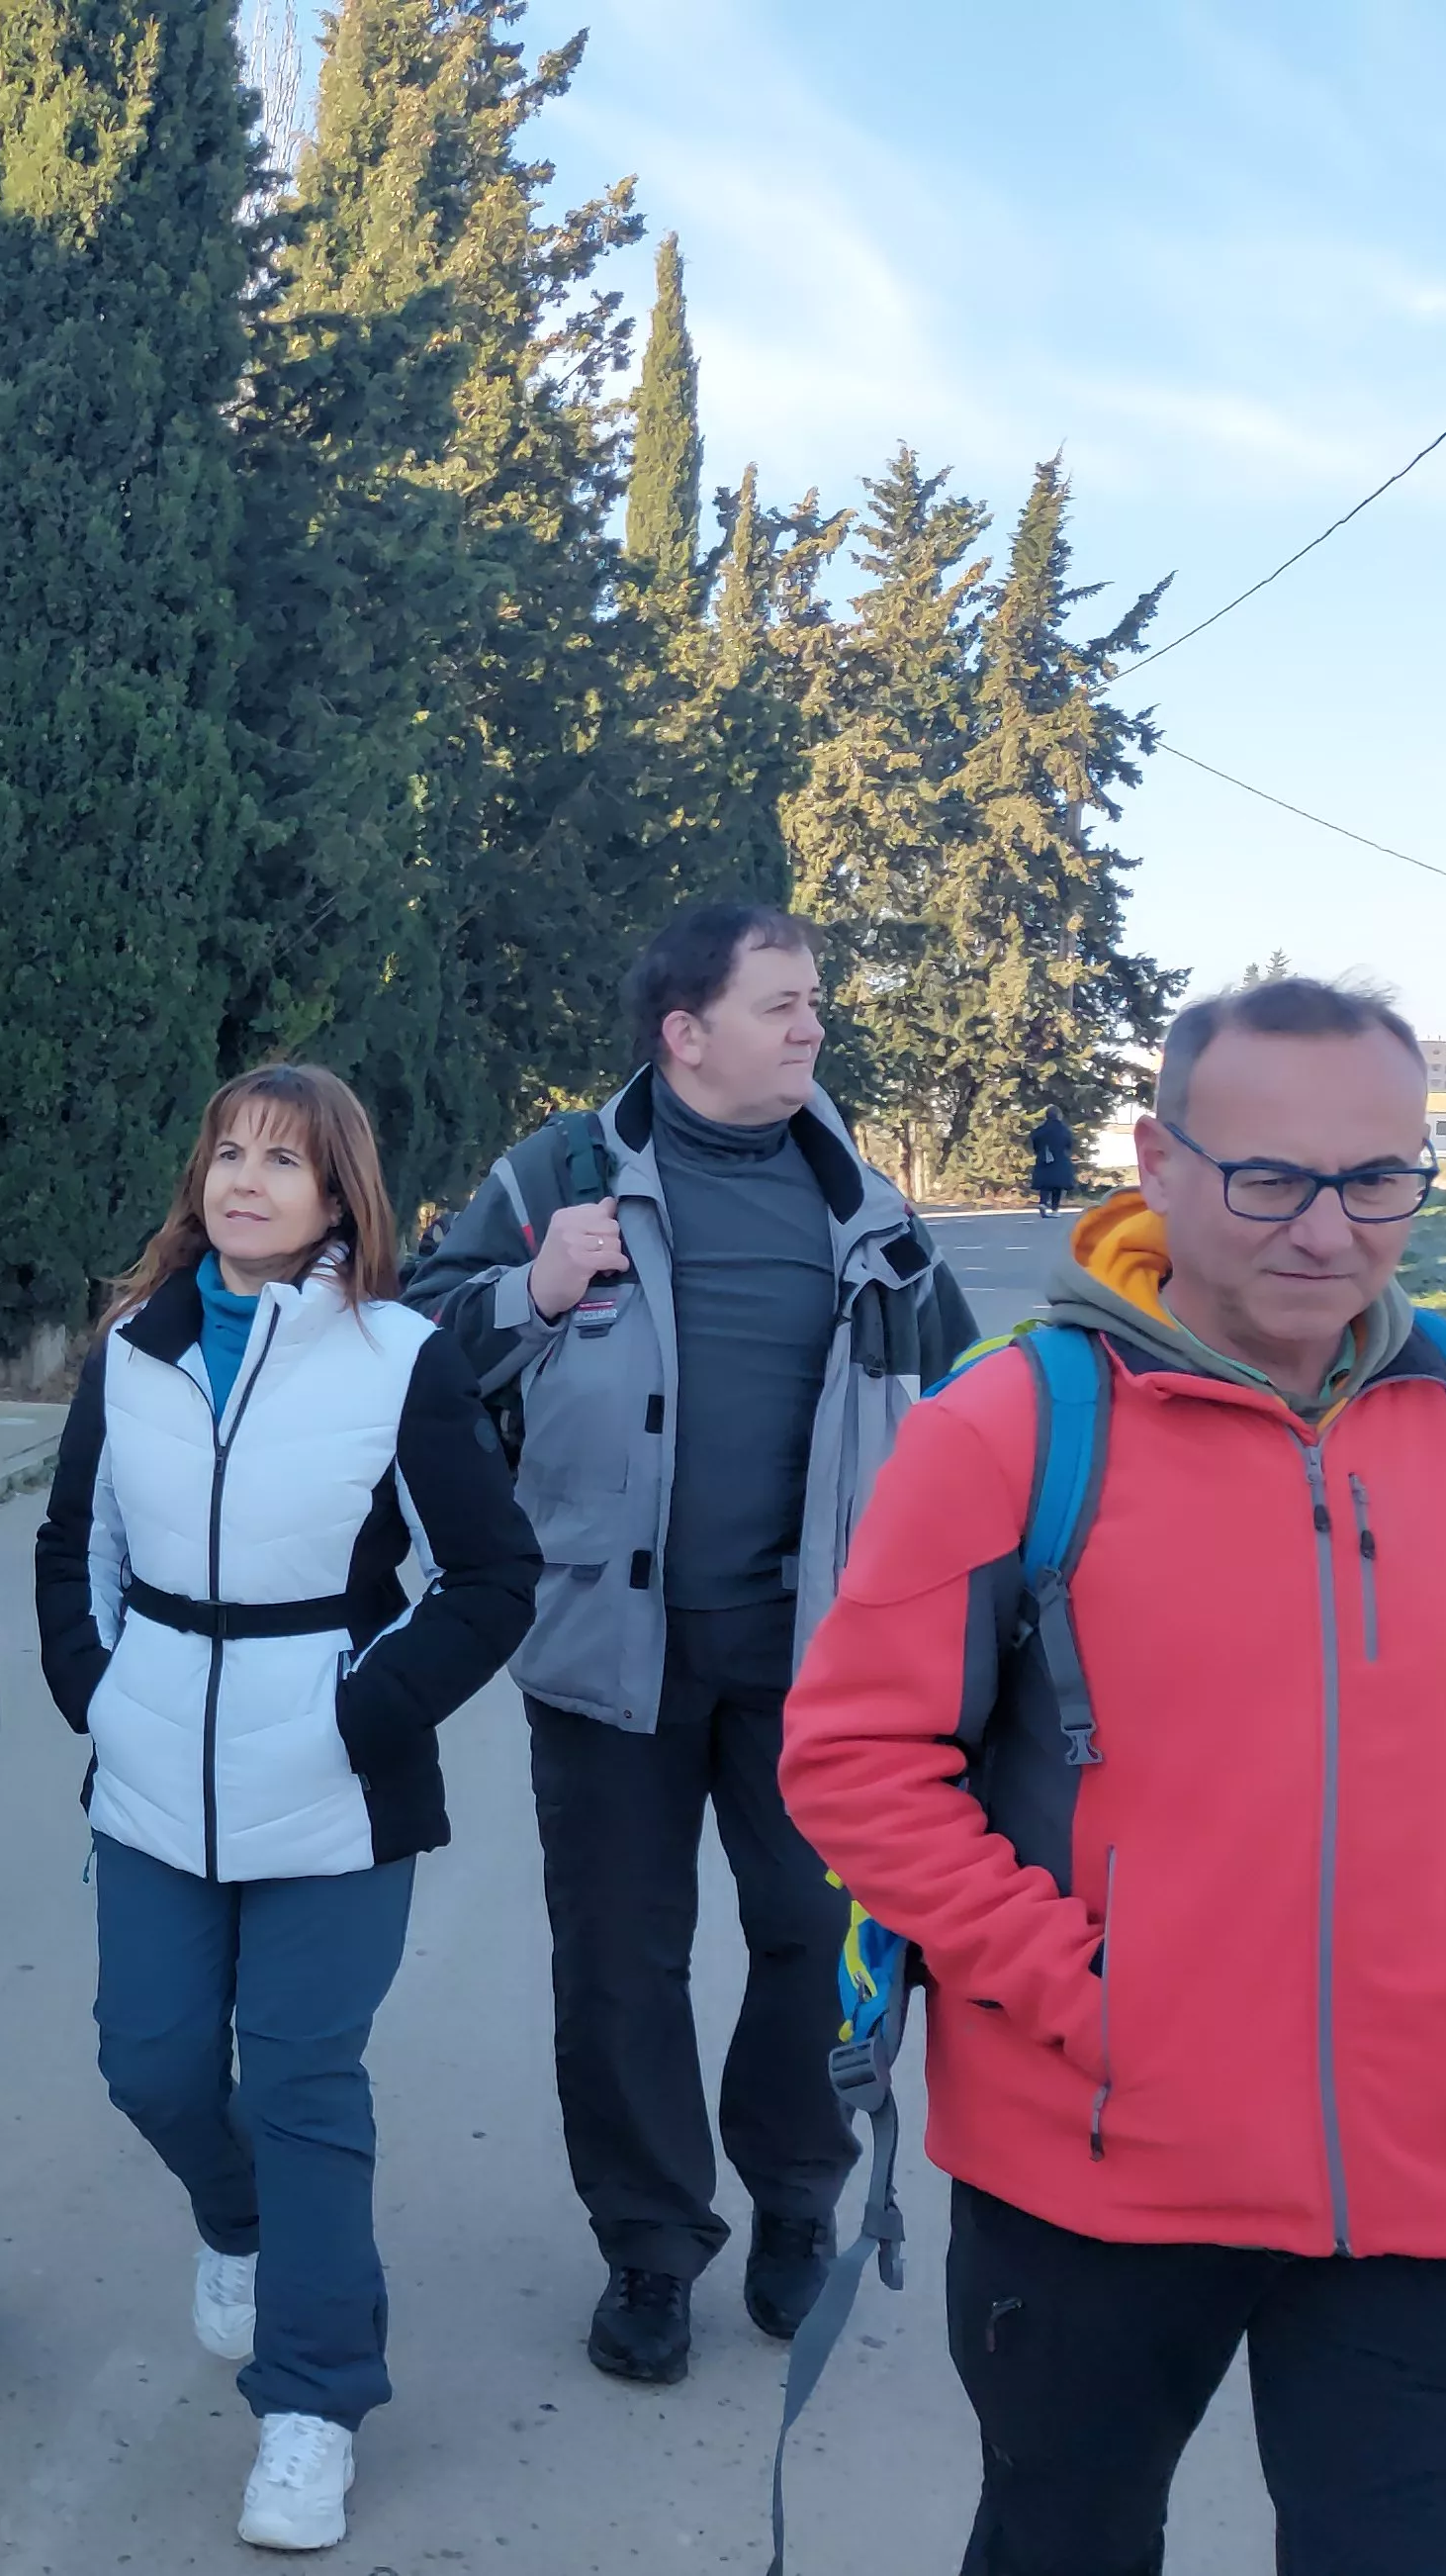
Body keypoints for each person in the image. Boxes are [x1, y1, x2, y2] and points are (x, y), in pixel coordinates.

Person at [782, 975, 1446, 2572]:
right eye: (1266, 1177)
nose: (1325, 1228)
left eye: (1374, 1176)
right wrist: (1084, 1988)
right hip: (1096, 2165)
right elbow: (848, 1760)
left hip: (1434, 2169)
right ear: (1155, 1160)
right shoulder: (1011, 1429)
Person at [400, 902, 973, 2384]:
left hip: (818, 1670)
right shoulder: (560, 1175)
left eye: (815, 1001)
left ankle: (795, 2203)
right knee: (617, 1966)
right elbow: (418, 1339)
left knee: (816, 1941)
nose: (813, 1027)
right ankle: (650, 2246)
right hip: (608, 1654)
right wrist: (527, 1289)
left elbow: (968, 1408)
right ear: (684, 1031)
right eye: (783, 1002)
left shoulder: (865, 1202)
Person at [36, 1065, 539, 2552]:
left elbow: (493, 1579)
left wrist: (362, 1706)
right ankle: (236, 2217)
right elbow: (80, 1540)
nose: (248, 1179)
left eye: (287, 1162)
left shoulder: (402, 1356)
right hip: (149, 1776)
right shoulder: (134, 1346)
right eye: (230, 1152)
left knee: (309, 2085)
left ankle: (312, 2406)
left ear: (340, 1198)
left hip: (331, 1786)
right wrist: (97, 1689)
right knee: (153, 2063)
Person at [1028, 1105, 1080, 1219]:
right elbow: (1069, 1144)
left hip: (1044, 1158)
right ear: (1059, 1115)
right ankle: (1055, 1209)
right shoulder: (1064, 1129)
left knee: (1045, 1183)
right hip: (1060, 1159)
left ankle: (1043, 1203)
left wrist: (1039, 1151)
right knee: (1057, 1185)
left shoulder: (1041, 1129)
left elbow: (1033, 1140)